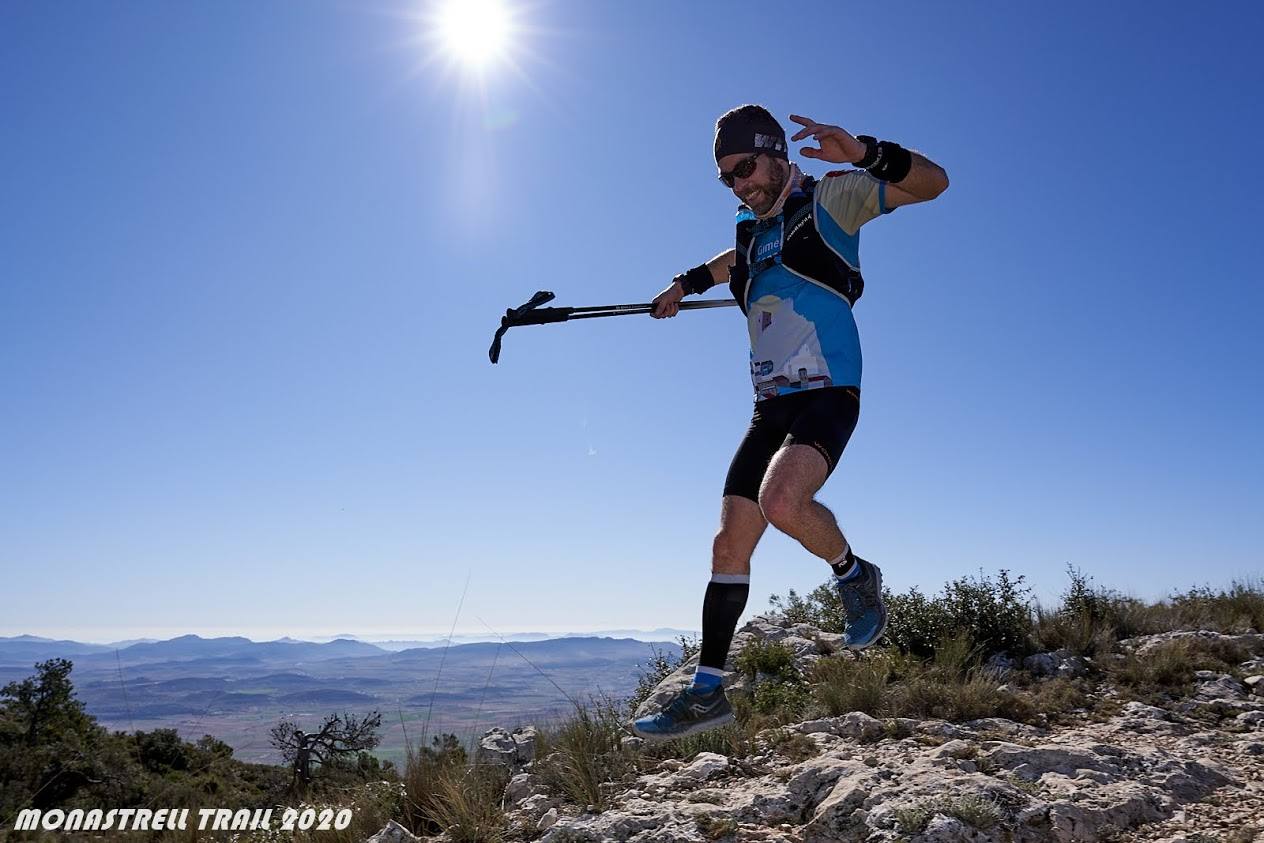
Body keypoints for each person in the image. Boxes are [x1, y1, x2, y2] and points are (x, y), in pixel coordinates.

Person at [631, 105, 949, 741]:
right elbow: (730, 258)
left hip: (829, 390)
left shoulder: (834, 200)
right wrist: (684, 283)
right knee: (727, 546)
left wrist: (863, 152)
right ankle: (707, 693)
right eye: (727, 177)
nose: (740, 184)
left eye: (746, 168)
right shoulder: (751, 230)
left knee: (782, 500)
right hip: (769, 404)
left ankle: (855, 575)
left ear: (777, 153)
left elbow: (933, 184)